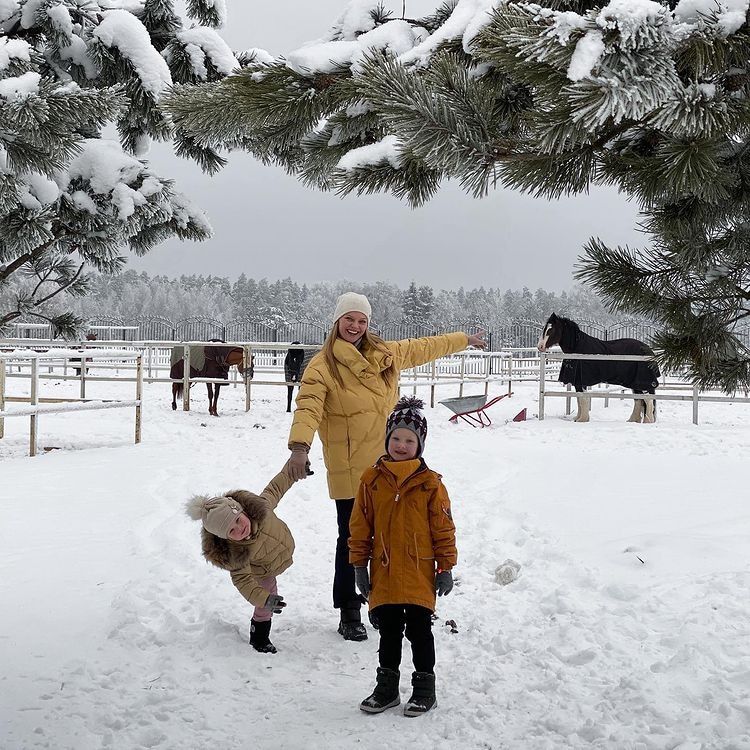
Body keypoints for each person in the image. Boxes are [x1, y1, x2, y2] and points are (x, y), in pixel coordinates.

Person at [287, 291, 483, 642]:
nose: (355, 326)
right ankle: (349, 609)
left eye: (362, 320)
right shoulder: (322, 366)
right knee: (352, 538)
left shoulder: (384, 354)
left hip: (390, 467)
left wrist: (463, 340)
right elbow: (307, 407)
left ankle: (381, 604)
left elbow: (423, 347)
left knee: (388, 538)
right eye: (349, 319)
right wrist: (299, 448)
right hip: (350, 470)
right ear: (337, 321)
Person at [349, 396, 457, 716]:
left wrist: (445, 566)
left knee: (420, 631)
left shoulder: (430, 484)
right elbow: (360, 525)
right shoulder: (372, 479)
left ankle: (425, 688)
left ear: (420, 444)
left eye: (409, 440)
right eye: (395, 438)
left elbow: (443, 528)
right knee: (390, 632)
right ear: (386, 439)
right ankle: (387, 689)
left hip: (419, 572)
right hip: (383, 571)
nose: (401, 444)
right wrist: (358, 566)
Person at [185, 463, 300, 654]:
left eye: (238, 520)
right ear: (225, 538)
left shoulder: (261, 508)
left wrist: (294, 470)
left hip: (279, 551)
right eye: (232, 530)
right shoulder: (237, 554)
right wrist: (264, 599)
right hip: (262, 570)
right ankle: (259, 637)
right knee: (265, 601)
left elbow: (276, 487)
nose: (240, 528)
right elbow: (244, 581)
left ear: (242, 511)